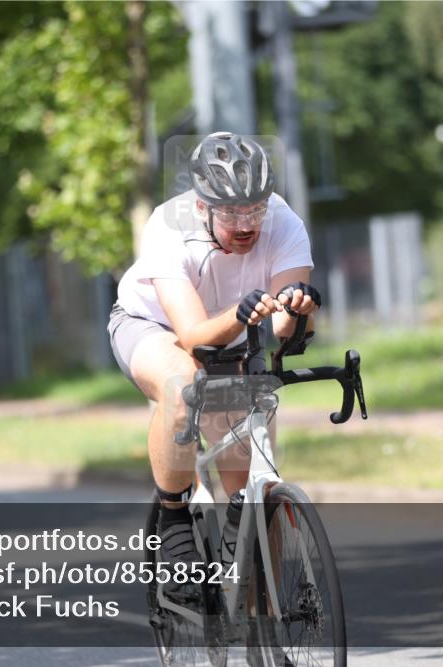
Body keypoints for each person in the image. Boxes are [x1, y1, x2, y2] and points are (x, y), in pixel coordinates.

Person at [108, 132, 321, 570]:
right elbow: (193, 336)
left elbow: (283, 325)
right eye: (231, 213)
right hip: (156, 326)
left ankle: (264, 618)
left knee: (250, 492)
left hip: (235, 330)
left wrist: (300, 310)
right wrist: (240, 316)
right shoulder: (169, 226)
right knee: (183, 383)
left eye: (255, 209)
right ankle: (174, 524)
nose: (246, 225)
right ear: (202, 205)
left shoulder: (283, 221)